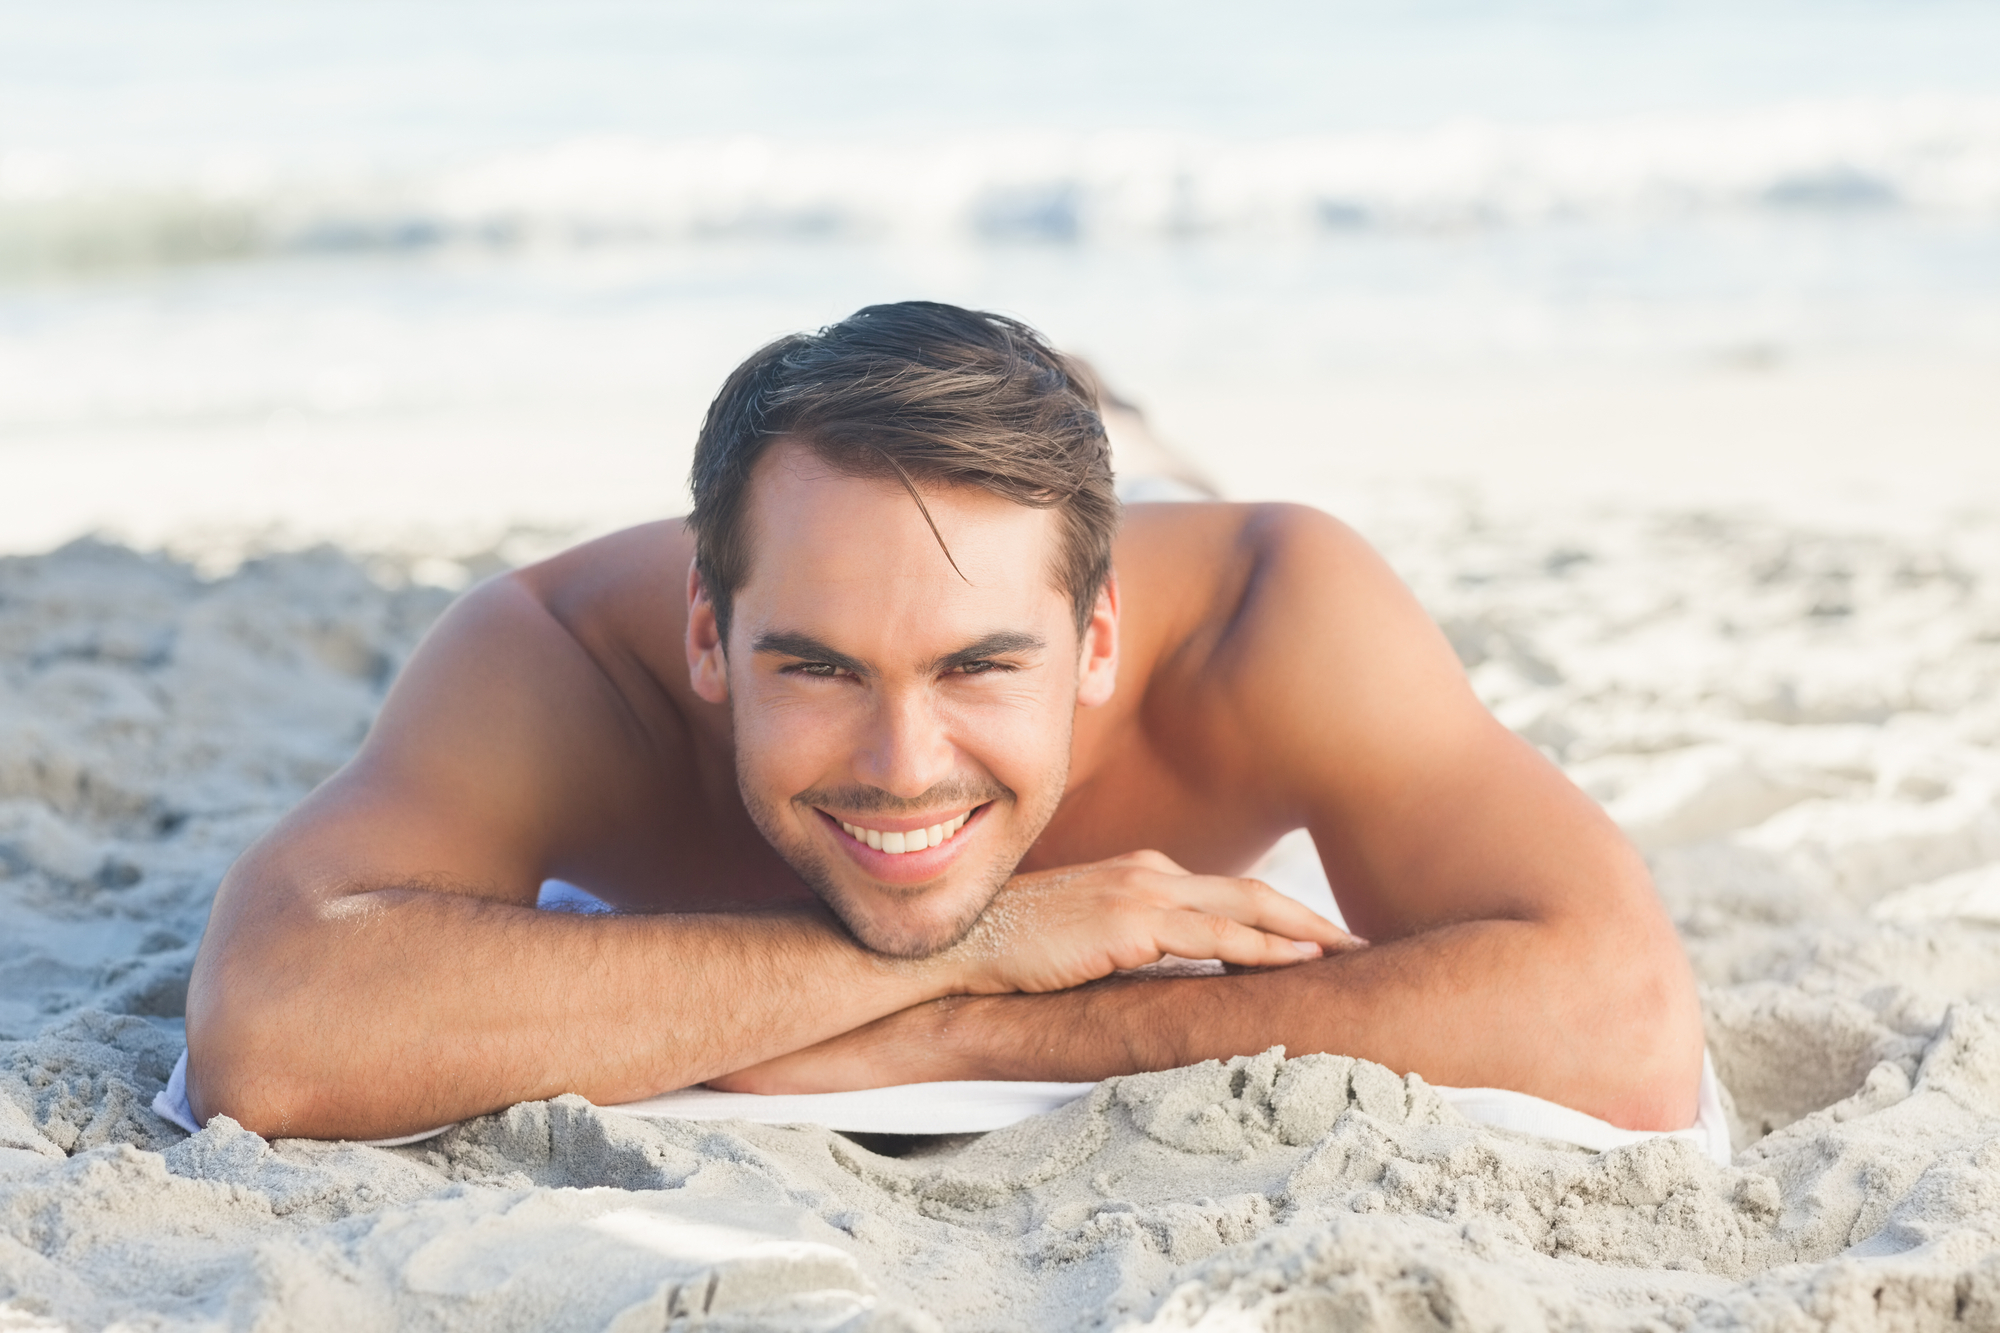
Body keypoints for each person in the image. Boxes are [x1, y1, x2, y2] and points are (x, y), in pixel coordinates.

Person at [184, 301, 1703, 1143]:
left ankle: (1103, 397)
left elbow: (1622, 1021)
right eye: (820, 668)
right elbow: (277, 1020)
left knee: (1111, 460)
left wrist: (973, 1031)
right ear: (711, 638)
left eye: (981, 665)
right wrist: (986, 933)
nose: (903, 768)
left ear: (1095, 639)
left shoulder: (1268, 606)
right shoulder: (568, 655)